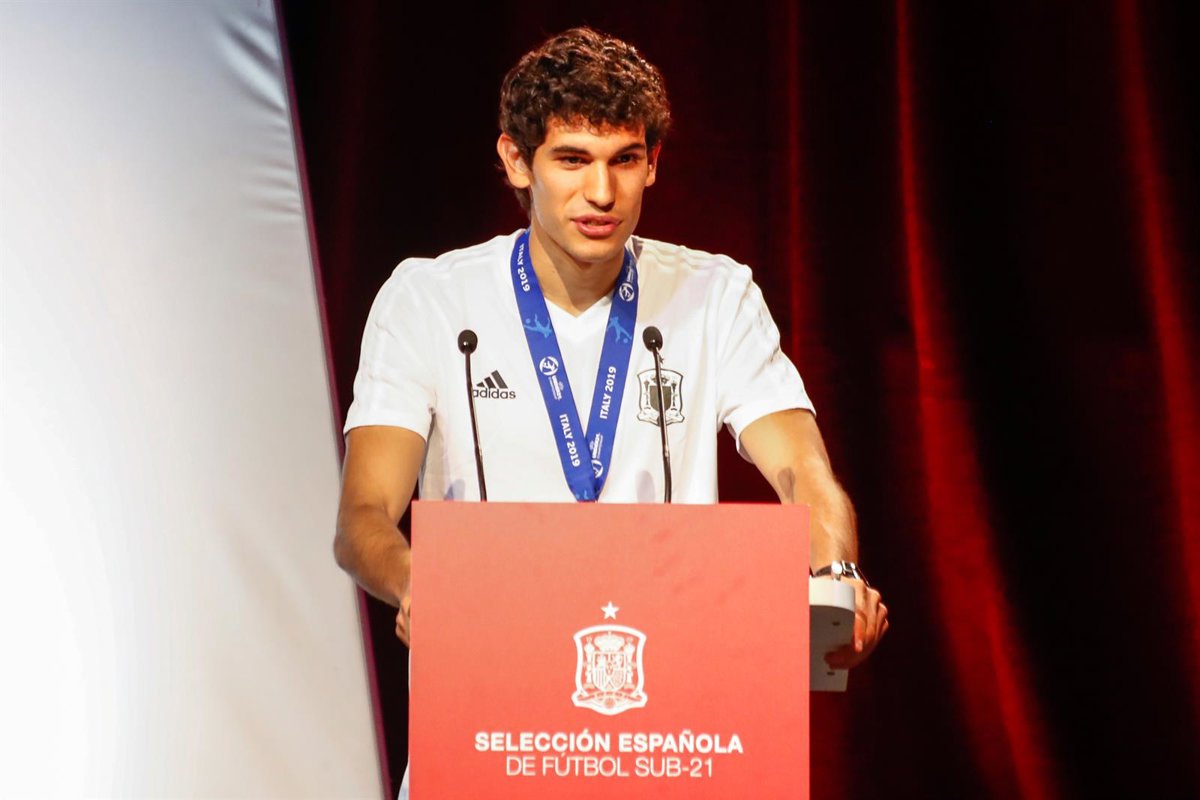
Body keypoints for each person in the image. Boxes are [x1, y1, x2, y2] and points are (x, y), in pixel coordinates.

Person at [334, 26, 887, 796]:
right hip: (489, 725)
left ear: (652, 163)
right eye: (572, 160)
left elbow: (802, 469)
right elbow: (363, 514)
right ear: (515, 161)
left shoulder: (715, 295)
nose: (601, 193)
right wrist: (416, 582)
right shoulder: (429, 300)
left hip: (667, 737)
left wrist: (836, 576)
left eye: (624, 160)